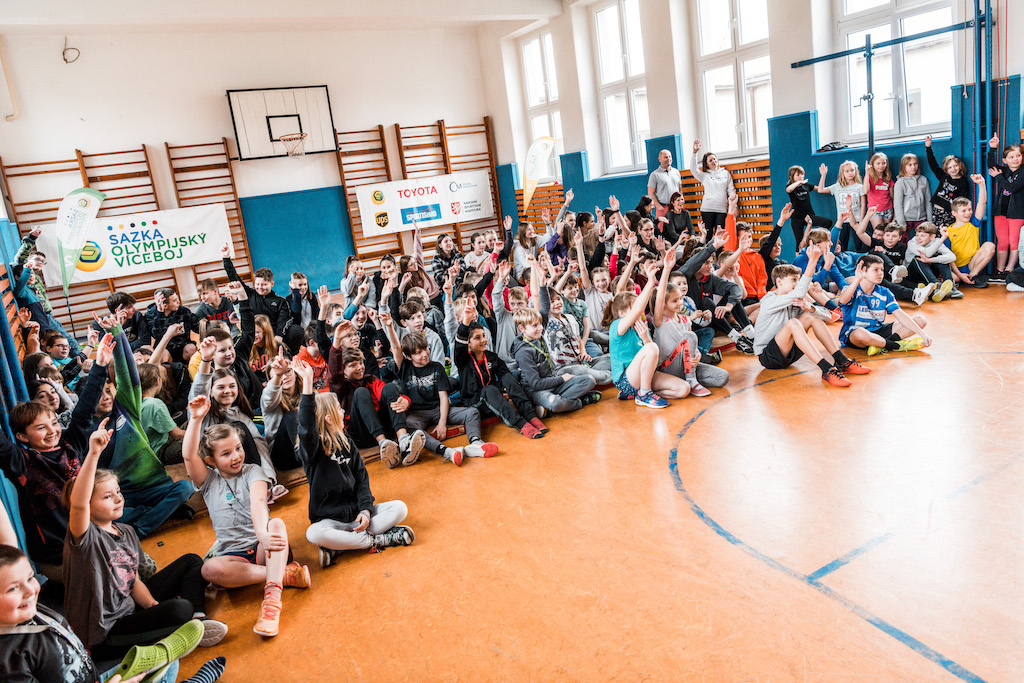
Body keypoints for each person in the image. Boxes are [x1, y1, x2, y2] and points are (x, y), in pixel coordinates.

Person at [63, 419, 227, 658]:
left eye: (118, 492)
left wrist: (154, 608)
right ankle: (184, 624)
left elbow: (133, 581)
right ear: (87, 504)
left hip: (132, 609)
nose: (118, 499)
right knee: (180, 608)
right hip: (107, 634)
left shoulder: (126, 531)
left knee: (192, 561)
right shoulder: (85, 538)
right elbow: (78, 504)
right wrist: (94, 453)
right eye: (107, 497)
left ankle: (197, 618)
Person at [182, 396, 310, 638]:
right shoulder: (208, 481)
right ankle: (282, 574)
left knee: (276, 523)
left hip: (263, 548)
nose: (236, 456)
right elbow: (189, 456)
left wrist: (262, 534)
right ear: (210, 461)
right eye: (226, 453)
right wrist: (196, 419)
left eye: (238, 448)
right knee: (208, 569)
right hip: (234, 557)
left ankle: (272, 599)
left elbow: (258, 504)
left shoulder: (254, 472)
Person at [1, 335, 112, 580]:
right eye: (41, 428)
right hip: (59, 557)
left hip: (93, 540)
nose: (52, 431)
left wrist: (100, 366)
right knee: (105, 578)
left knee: (137, 566)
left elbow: (84, 410)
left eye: (53, 423)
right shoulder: (21, 462)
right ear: (22, 436)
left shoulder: (71, 444)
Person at [293, 359, 415, 569]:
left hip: (357, 517)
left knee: (399, 509)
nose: (343, 412)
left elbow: (361, 480)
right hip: (331, 520)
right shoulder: (312, 449)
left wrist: (366, 511)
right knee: (313, 533)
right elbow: (306, 428)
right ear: (329, 419)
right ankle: (375, 540)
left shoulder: (348, 443)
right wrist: (307, 383)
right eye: (339, 410)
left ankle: (340, 546)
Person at [92, 314, 196, 537]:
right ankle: (151, 519)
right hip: (126, 493)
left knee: (185, 488)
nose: (106, 397)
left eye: (108, 391)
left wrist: (118, 333)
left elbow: (128, 375)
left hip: (156, 483)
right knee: (112, 517)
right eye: (98, 395)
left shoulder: (125, 408)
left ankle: (150, 518)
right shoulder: (88, 430)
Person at [381, 316, 498, 464]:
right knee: (410, 428)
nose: (424, 354)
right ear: (409, 357)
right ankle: (446, 451)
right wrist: (389, 326)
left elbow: (443, 397)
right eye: (418, 353)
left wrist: (442, 422)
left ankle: (475, 442)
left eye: (425, 349)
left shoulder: (437, 367)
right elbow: (396, 347)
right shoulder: (404, 367)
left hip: (437, 410)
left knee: (472, 412)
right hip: (417, 414)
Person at [753, 245, 871, 387]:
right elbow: (800, 292)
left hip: (789, 354)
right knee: (793, 323)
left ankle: (841, 361)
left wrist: (810, 308)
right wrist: (812, 261)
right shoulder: (769, 300)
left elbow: (828, 316)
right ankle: (826, 369)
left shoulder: (795, 300)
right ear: (779, 282)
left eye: (798, 280)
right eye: (793, 280)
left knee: (811, 316)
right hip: (768, 357)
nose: (797, 284)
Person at [454, 299, 546, 439]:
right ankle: (521, 424)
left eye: (483, 336)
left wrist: (505, 387)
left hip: (494, 399)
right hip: (475, 402)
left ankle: (530, 415)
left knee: (509, 377)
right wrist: (466, 320)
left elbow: (506, 376)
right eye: (477, 338)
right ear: (469, 343)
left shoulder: (491, 356)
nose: (483, 340)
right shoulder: (463, 360)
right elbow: (459, 345)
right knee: (489, 390)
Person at [604, 260, 690, 408]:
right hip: (626, 380)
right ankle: (644, 394)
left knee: (684, 389)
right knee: (651, 347)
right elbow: (638, 309)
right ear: (622, 313)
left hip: (645, 376)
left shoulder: (642, 327)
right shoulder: (617, 325)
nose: (641, 309)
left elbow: (653, 357)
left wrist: (645, 338)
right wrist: (651, 282)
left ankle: (641, 392)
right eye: (635, 307)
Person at [838, 254, 931, 356]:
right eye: (875, 270)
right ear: (863, 271)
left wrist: (922, 334)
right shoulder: (851, 288)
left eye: (882, 270)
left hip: (878, 330)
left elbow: (900, 315)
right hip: (855, 334)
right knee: (860, 333)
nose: (880, 273)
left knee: (921, 320)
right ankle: (896, 345)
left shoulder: (884, 292)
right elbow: (842, 300)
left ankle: (879, 345)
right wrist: (857, 279)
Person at [10, 227, 81, 355]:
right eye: (37, 259)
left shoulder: (34, 278)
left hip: (46, 315)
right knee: (67, 343)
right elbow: (20, 258)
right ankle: (81, 361)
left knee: (64, 343)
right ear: (28, 261)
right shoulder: (25, 272)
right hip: (42, 317)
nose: (40, 262)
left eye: (43, 261)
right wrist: (31, 239)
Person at [221, 243, 303, 354]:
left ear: (272, 284)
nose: (260, 287)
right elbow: (234, 278)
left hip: (273, 336)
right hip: (255, 335)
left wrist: (279, 336)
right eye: (258, 284)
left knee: (296, 330)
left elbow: (283, 321)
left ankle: (290, 356)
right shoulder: (249, 294)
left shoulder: (280, 301)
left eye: (264, 284)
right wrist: (226, 258)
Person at [946, 174, 995, 288]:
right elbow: (948, 258)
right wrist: (959, 275)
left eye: (969, 209)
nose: (968, 213)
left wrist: (981, 184)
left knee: (989, 245)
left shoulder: (973, 224)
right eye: (963, 211)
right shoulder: (947, 232)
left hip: (973, 264)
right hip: (957, 269)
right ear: (954, 213)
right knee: (952, 278)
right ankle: (963, 279)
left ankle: (973, 276)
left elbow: (981, 203)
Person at [987, 134, 1024, 279]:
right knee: (1002, 241)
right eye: (1011, 157)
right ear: (1005, 160)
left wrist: (998, 178)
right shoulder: (1005, 171)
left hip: (1017, 213)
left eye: (1018, 156)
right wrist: (992, 148)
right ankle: (1000, 270)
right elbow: (991, 165)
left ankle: (1010, 269)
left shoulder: (1023, 172)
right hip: (1000, 212)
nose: (1015, 159)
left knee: (1014, 242)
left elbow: (1012, 187)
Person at [138, 363, 185, 465]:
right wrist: (198, 434)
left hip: (144, 451)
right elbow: (177, 435)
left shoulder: (135, 401)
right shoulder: (155, 404)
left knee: (189, 423)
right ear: (158, 381)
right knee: (197, 439)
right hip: (158, 453)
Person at [816, 161, 865, 252]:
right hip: (843, 220)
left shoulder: (859, 187)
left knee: (860, 244)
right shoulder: (837, 187)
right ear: (843, 173)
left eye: (852, 170)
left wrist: (862, 220)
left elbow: (863, 205)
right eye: (847, 171)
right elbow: (820, 190)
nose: (850, 173)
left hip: (857, 219)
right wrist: (823, 175)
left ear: (856, 171)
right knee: (841, 244)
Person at [924, 135, 971, 229]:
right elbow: (933, 164)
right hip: (937, 211)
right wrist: (928, 147)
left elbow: (963, 200)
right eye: (949, 167)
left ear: (960, 165)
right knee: (937, 234)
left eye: (955, 166)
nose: (953, 169)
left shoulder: (963, 182)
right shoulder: (944, 176)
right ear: (946, 169)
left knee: (949, 235)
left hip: (950, 214)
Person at [904, 222, 955, 302]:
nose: (918, 238)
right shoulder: (912, 243)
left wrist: (931, 260)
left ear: (932, 237)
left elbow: (952, 257)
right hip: (913, 275)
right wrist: (942, 238)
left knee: (942, 259)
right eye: (917, 235)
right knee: (919, 258)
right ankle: (936, 285)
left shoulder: (936, 241)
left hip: (928, 274)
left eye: (922, 236)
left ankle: (950, 287)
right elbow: (927, 253)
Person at [143, 289, 196, 363]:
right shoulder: (150, 315)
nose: (178, 302)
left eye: (177, 298)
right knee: (163, 355)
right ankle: (170, 369)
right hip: (165, 348)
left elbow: (197, 326)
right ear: (165, 305)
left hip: (183, 346)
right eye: (174, 300)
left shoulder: (184, 311)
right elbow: (157, 335)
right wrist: (160, 314)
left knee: (191, 348)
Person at [690, 141, 735, 229]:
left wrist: (734, 206)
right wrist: (694, 153)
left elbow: (731, 190)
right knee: (708, 233)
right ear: (707, 164)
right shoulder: (704, 175)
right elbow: (693, 169)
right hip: (707, 209)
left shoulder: (725, 173)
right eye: (710, 160)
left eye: (714, 159)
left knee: (720, 233)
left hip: (721, 209)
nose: (713, 161)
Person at [786, 165, 833, 246]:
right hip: (797, 218)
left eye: (802, 174)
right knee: (799, 243)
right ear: (791, 176)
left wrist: (823, 175)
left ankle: (813, 236)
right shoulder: (790, 187)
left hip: (809, 216)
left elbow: (820, 189)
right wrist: (799, 182)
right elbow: (788, 189)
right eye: (798, 175)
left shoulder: (806, 185)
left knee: (827, 222)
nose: (801, 177)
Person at [893, 153, 932, 239]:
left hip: (921, 218)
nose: (913, 167)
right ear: (904, 167)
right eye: (909, 165)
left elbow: (928, 201)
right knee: (903, 241)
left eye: (915, 164)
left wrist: (930, 220)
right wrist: (901, 222)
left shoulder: (923, 180)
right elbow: (898, 204)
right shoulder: (900, 182)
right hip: (906, 219)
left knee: (924, 240)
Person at [863, 153, 894, 228]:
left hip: (888, 209)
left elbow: (892, 196)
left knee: (887, 232)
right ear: (872, 164)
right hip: (875, 211)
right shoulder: (869, 178)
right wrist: (867, 174)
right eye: (878, 163)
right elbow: (865, 191)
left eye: (883, 163)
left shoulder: (888, 178)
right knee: (879, 232)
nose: (881, 166)